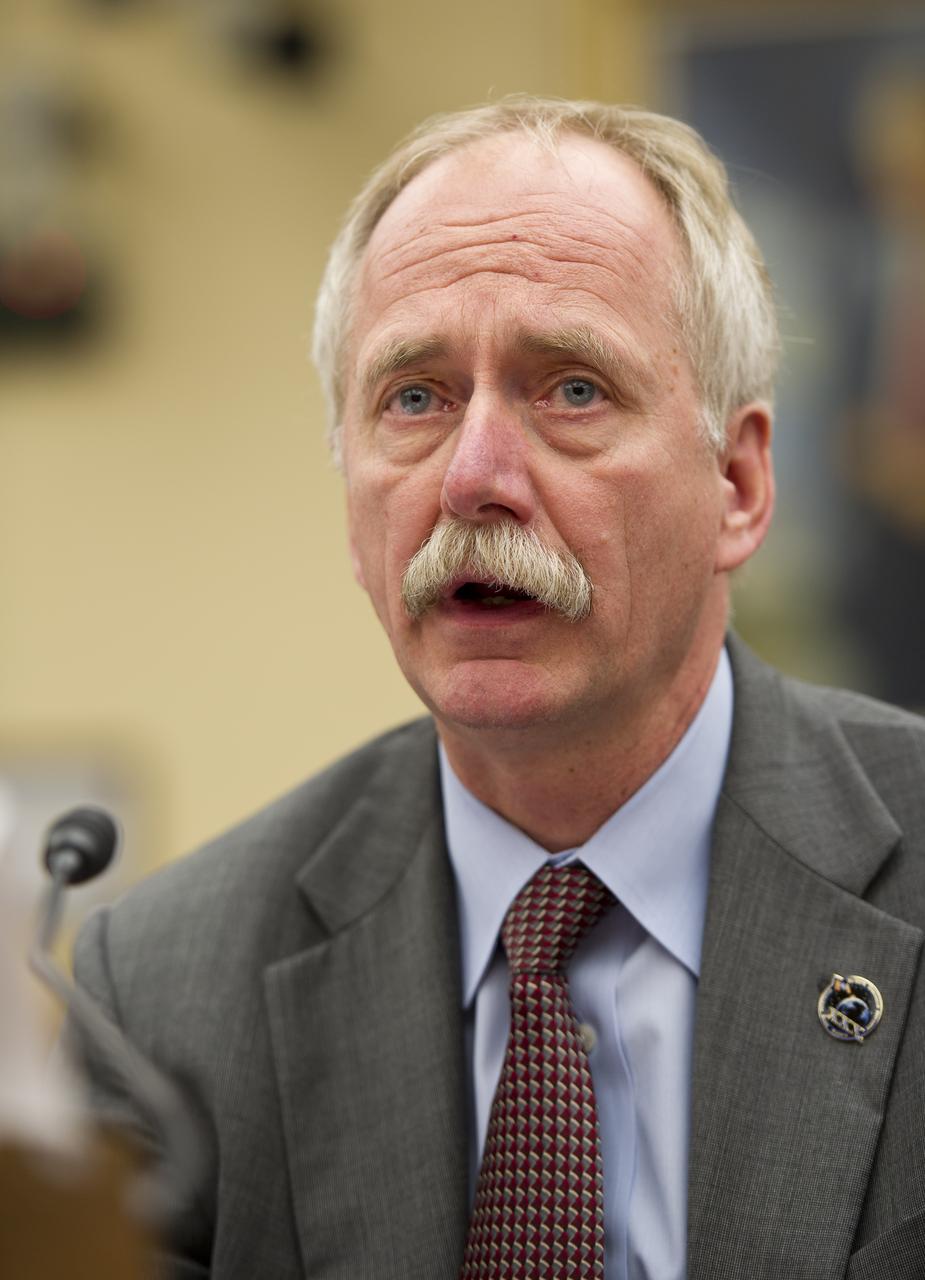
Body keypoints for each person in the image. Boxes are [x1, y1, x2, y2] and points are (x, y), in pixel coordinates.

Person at [71, 98, 925, 1280]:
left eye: (570, 388)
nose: (473, 476)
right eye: (413, 397)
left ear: (734, 484)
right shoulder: (164, 992)